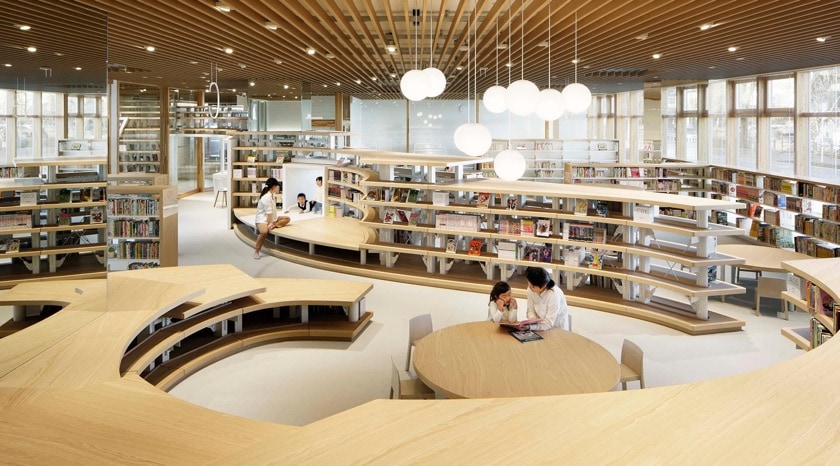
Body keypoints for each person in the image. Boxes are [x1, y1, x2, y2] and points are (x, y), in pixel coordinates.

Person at [520, 266, 569, 331]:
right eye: (529, 283)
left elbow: (549, 323)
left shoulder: (554, 295)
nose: (529, 287)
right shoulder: (531, 289)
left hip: (556, 329)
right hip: (539, 327)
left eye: (532, 286)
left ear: (543, 286)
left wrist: (531, 327)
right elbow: (530, 310)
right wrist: (532, 319)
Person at [254, 177, 289, 259]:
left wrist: (273, 221)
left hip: (272, 219)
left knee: (287, 219)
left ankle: (274, 225)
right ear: (273, 187)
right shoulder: (266, 197)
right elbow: (269, 213)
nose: (277, 188)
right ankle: (256, 251)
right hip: (262, 220)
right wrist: (270, 223)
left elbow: (272, 212)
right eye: (276, 186)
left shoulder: (271, 195)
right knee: (264, 232)